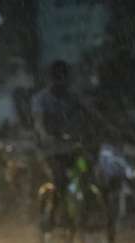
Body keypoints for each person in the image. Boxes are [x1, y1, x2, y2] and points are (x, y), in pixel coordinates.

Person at [31, 61, 93, 196]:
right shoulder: (41, 99)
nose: (61, 81)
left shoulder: (73, 97)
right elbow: (40, 122)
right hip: (49, 149)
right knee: (60, 180)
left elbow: (90, 114)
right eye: (57, 77)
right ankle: (55, 213)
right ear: (50, 79)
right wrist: (48, 134)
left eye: (64, 77)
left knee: (88, 172)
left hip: (71, 146)